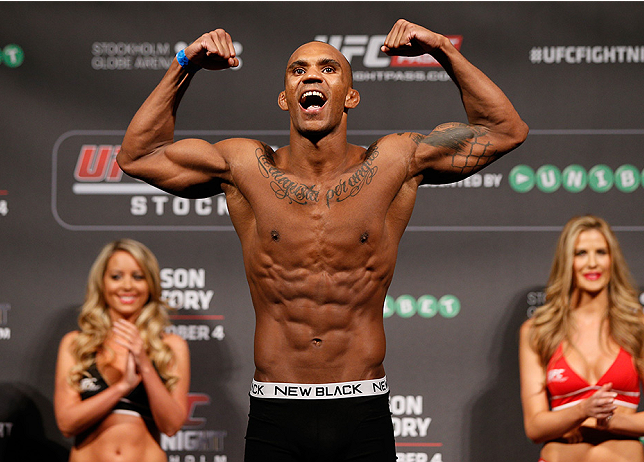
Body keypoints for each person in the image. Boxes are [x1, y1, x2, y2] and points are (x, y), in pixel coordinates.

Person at [117, 19, 528, 460]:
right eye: (298, 70)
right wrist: (185, 64)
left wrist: (443, 49)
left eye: (328, 68)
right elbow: (138, 155)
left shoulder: (396, 161)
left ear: (351, 97)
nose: (312, 75)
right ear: (285, 99)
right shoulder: (245, 167)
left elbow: (505, 130)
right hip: (277, 410)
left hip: (362, 408)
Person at [519, 215, 644, 462]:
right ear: (567, 261)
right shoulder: (538, 330)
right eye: (581, 253)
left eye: (601, 252)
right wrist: (581, 410)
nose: (592, 263)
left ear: (612, 259)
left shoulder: (640, 327)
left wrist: (609, 420)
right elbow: (535, 427)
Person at [54, 239, 191, 462]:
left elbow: (171, 426)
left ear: (151, 284)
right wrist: (122, 387)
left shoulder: (170, 346)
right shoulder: (76, 344)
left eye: (138, 277)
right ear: (102, 283)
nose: (127, 286)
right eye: (116, 276)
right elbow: (67, 424)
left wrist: (144, 363)